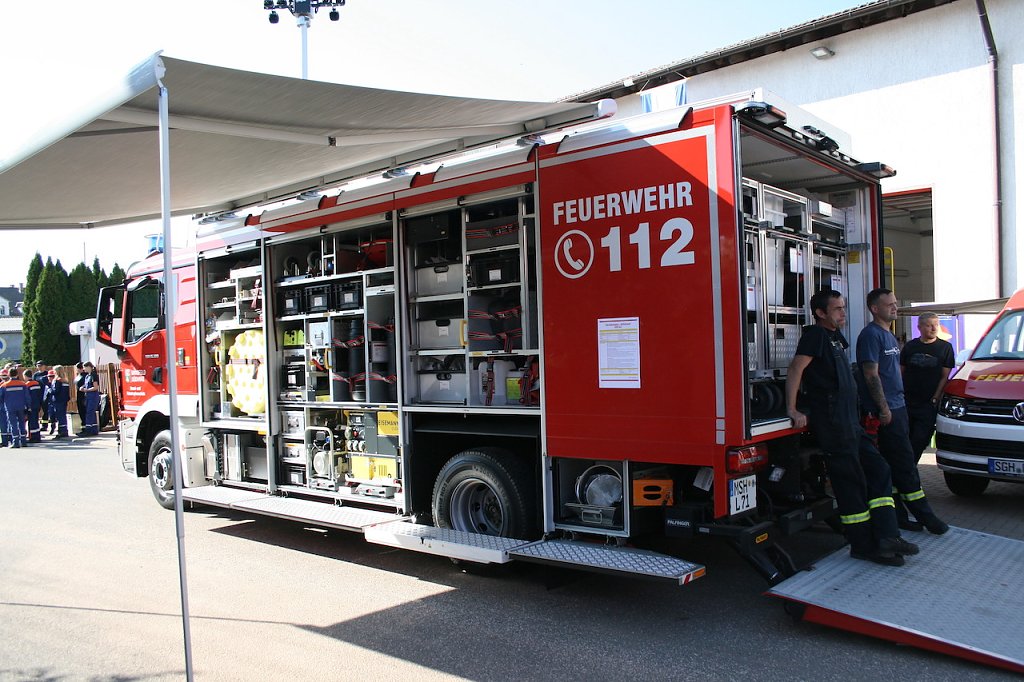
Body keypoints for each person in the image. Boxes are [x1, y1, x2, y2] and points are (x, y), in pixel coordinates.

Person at [786, 289, 917, 566]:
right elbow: (796, 369)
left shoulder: (835, 337)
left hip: (850, 423)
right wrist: (792, 409)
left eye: (843, 307)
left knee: (879, 469)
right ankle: (863, 545)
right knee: (851, 483)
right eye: (837, 309)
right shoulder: (815, 336)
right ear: (820, 313)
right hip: (833, 423)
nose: (843, 313)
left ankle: (887, 536)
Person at [856, 288, 949, 535]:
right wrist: (884, 408)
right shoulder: (871, 335)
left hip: (899, 407)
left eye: (895, 303)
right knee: (906, 464)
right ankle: (927, 518)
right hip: (889, 411)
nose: (895, 308)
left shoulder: (889, 335)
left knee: (895, 465)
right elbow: (871, 374)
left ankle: (899, 516)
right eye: (889, 304)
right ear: (875, 309)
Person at [901, 313, 956, 463]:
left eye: (936, 325)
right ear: (919, 327)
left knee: (920, 439)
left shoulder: (945, 348)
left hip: (928, 404)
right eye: (929, 325)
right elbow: (901, 372)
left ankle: (909, 468)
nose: (933, 328)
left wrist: (935, 397)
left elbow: (944, 377)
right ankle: (907, 471)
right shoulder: (910, 346)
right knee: (905, 439)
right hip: (907, 401)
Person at [0, 367, 31, 448]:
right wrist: (29, 406)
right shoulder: (23, 384)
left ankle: (16, 442)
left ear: (9, 375)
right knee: (22, 424)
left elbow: (1, 398)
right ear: (17, 374)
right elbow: (27, 397)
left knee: (13, 424)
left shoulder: (4, 385)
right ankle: (23, 441)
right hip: (21, 407)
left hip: (10, 407)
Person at [45, 366, 70, 439]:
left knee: (59, 417)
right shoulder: (65, 380)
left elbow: (55, 391)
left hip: (57, 400)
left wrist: (49, 389)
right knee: (63, 416)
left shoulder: (57, 380)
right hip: (64, 401)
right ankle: (64, 430)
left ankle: (61, 432)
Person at [79, 362, 101, 436]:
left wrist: (86, 390)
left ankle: (88, 430)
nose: (83, 369)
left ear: (89, 367)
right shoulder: (87, 376)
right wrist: (82, 387)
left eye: (84, 367)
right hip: (88, 396)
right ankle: (94, 430)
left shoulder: (93, 375)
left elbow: (95, 387)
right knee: (91, 413)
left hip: (93, 396)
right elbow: (86, 384)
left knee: (89, 412)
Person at [21, 369, 42, 443]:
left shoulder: (27, 385)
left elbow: (27, 397)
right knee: (36, 421)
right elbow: (40, 395)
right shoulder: (37, 383)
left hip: (31, 406)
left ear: (25, 376)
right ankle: (37, 436)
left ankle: (33, 437)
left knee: (32, 422)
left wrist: (28, 406)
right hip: (37, 404)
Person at [32, 361, 50, 433]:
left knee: (46, 411)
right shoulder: (35, 375)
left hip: (45, 395)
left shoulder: (47, 374)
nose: (39, 367)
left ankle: (44, 425)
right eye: (38, 366)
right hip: (37, 395)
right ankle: (36, 425)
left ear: (44, 366)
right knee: (36, 410)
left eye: (41, 365)